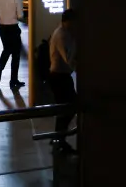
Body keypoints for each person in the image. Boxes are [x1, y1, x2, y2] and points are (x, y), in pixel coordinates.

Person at [48, 9, 78, 153]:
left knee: (66, 109)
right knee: (67, 108)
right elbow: (68, 59)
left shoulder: (66, 33)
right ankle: (58, 139)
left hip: (62, 76)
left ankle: (58, 138)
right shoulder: (61, 35)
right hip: (59, 77)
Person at [0, 0, 25, 89]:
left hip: (2, 28)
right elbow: (20, 16)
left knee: (6, 49)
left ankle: (0, 69)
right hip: (13, 28)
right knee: (16, 55)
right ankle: (13, 79)